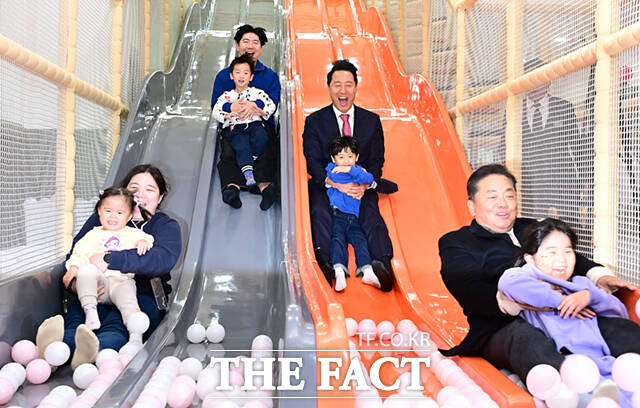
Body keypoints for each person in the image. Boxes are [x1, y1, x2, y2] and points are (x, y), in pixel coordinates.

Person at [438, 164, 639, 381]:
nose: (503, 204)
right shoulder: (457, 242)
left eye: (509, 196)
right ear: (472, 206)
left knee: (617, 328)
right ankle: (576, 386)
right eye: (492, 197)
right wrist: (530, 298)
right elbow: (469, 289)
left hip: (567, 315)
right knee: (527, 338)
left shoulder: (533, 227)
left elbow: (569, 257)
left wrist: (599, 276)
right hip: (503, 326)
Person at [35, 164, 182, 369]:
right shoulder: (103, 220)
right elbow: (78, 252)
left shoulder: (165, 226)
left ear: (160, 197)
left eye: (149, 189)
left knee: (118, 324)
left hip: (142, 294)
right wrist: (76, 282)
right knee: (78, 319)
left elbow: (160, 259)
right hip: (98, 288)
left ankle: (98, 351)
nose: (140, 194)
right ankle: (58, 350)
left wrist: (109, 258)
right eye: (134, 189)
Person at [302, 59, 396, 292]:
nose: (342, 91)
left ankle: (382, 264)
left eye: (348, 84)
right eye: (337, 85)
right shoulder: (314, 121)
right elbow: (312, 160)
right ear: (329, 88)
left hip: (359, 184)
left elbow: (377, 159)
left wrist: (364, 185)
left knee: (371, 215)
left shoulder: (371, 121)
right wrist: (333, 183)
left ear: (355, 87)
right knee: (320, 212)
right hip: (328, 184)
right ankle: (326, 264)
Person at [63, 187, 154, 342]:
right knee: (86, 270)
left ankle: (135, 337)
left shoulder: (133, 234)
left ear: (129, 216)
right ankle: (91, 313)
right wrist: (73, 267)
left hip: (121, 282)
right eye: (108, 211)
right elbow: (79, 254)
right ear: (99, 211)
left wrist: (143, 242)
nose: (113, 216)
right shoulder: (92, 234)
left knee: (129, 302)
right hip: (99, 284)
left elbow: (149, 239)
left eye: (120, 213)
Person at [211, 24, 281, 210]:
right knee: (229, 150)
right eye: (245, 41)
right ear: (237, 45)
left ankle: (265, 187)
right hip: (233, 125)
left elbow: (273, 102)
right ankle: (232, 188)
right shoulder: (224, 76)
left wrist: (255, 106)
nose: (250, 46)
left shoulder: (270, 76)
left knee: (267, 148)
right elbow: (215, 105)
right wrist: (231, 107)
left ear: (261, 47)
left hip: (261, 124)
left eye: (255, 42)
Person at [521, 58, 583, 223]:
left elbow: (577, 147)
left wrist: (585, 180)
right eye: (528, 79)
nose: (533, 84)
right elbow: (504, 147)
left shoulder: (564, 107)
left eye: (538, 78)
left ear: (548, 81)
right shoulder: (515, 111)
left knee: (568, 227)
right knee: (531, 229)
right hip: (530, 185)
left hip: (562, 183)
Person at [212, 54, 276, 187]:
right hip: (235, 128)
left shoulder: (257, 93)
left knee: (262, 137)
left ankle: (251, 158)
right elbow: (215, 110)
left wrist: (264, 112)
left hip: (255, 124)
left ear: (251, 77)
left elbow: (270, 104)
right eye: (237, 73)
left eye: (246, 73)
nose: (241, 76)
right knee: (242, 146)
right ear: (231, 76)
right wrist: (226, 116)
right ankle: (248, 174)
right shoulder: (227, 96)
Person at [326, 137, 378, 291]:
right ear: (333, 159)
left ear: (357, 157)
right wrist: (354, 173)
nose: (346, 161)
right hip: (338, 214)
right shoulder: (332, 169)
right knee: (338, 239)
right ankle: (339, 270)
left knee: (360, 240)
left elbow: (369, 179)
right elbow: (336, 177)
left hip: (353, 217)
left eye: (350, 156)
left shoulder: (355, 170)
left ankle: (367, 269)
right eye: (341, 157)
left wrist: (351, 170)